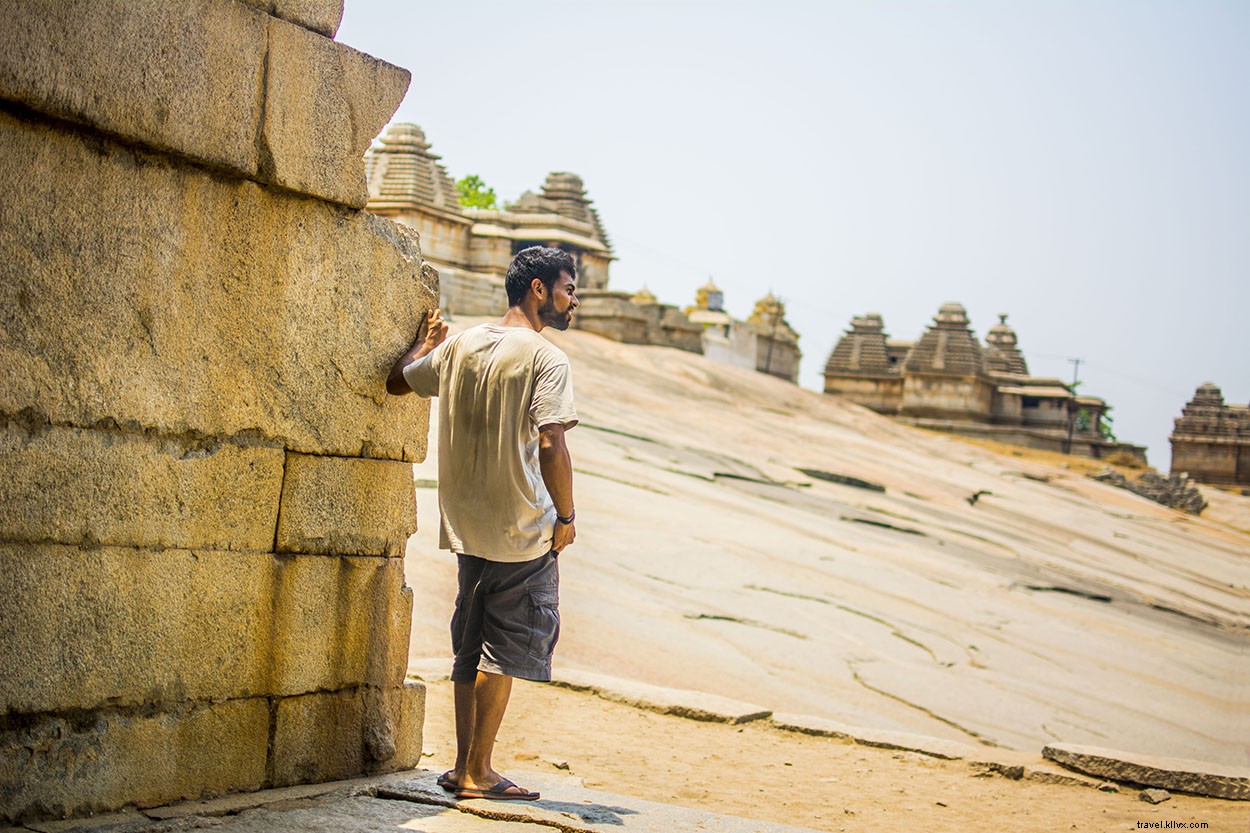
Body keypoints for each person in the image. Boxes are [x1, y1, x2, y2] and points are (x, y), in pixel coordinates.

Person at [386, 246, 580, 802]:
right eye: (568, 288)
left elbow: (400, 382)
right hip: (521, 527)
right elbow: (551, 442)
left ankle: (463, 767)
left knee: (469, 646)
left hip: (466, 526)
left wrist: (424, 347)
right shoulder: (547, 359)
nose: (574, 300)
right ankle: (480, 772)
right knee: (506, 649)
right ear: (538, 289)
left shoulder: (465, 343)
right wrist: (565, 516)